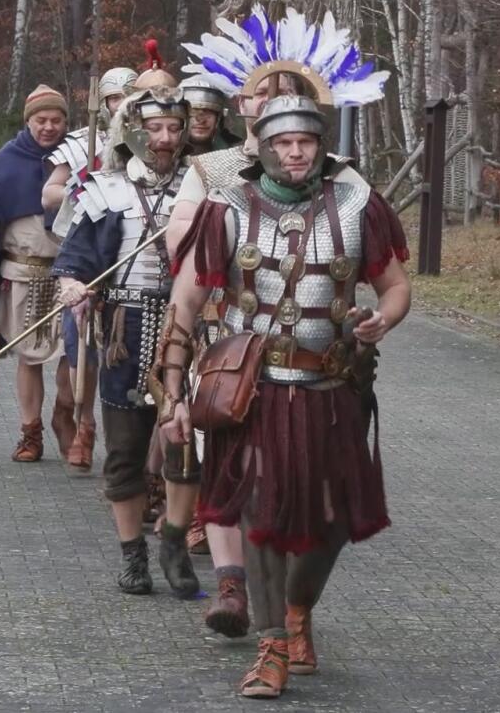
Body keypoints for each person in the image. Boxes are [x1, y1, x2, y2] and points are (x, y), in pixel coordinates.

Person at [157, 93, 410, 699]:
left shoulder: (358, 205)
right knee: (260, 512)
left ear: (321, 147)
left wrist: (384, 318)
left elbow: (396, 286)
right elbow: (185, 303)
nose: (295, 152)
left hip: (333, 389)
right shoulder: (226, 208)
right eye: (283, 143)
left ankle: (298, 609)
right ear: (264, 148)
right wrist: (172, 394)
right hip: (255, 390)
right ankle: (271, 645)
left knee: (332, 519)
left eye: (305, 142)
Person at [167, 10, 384, 641]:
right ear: (246, 106)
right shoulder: (215, 174)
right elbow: (185, 266)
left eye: (287, 95)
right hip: (232, 342)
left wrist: (374, 318)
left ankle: (292, 607)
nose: (275, 107)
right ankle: (237, 588)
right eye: (263, 95)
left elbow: (374, 262)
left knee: (319, 500)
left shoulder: (344, 181)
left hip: (322, 360)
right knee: (241, 478)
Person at [51, 84, 202, 597]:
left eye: (174, 128)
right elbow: (73, 260)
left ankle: (174, 542)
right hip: (126, 329)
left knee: (186, 446)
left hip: (189, 329)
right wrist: (72, 286)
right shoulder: (106, 189)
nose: (165, 138)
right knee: (125, 449)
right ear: (133, 131)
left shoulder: (203, 187)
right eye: (155, 128)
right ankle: (132, 553)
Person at [0, 85, 79, 463]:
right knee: (29, 357)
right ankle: (30, 433)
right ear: (28, 121)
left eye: (56, 120)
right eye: (41, 120)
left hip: (70, 276)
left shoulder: (77, 156)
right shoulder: (7, 160)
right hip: (22, 273)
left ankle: (65, 412)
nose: (49, 127)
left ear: (66, 122)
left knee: (73, 352)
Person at [38, 66, 138, 472]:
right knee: (80, 342)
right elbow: (49, 194)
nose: (120, 106)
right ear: (105, 102)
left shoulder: (152, 141)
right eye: (114, 98)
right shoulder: (84, 142)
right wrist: (86, 188)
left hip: (132, 255)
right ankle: (82, 422)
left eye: (128, 98)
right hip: (88, 254)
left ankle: (120, 435)